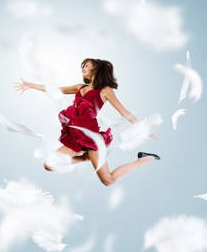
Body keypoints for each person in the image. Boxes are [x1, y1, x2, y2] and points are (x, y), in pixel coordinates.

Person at [14, 58, 160, 186]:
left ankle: (145, 158)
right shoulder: (80, 87)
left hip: (91, 139)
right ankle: (85, 158)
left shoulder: (105, 90)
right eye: (82, 66)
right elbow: (54, 90)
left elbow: (124, 111)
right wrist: (31, 85)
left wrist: (143, 128)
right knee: (49, 165)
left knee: (108, 180)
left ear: (96, 69)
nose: (83, 68)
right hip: (75, 137)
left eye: (86, 66)